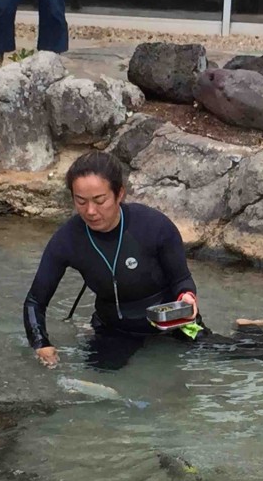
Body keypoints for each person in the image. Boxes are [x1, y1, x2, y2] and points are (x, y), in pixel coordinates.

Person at [24, 151, 201, 369]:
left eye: (99, 200)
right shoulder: (67, 239)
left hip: (170, 325)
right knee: (100, 383)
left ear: (119, 194)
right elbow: (35, 301)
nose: (90, 211)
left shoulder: (154, 226)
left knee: (231, 355)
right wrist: (41, 343)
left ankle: (247, 328)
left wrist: (187, 297)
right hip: (113, 330)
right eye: (80, 201)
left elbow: (182, 280)